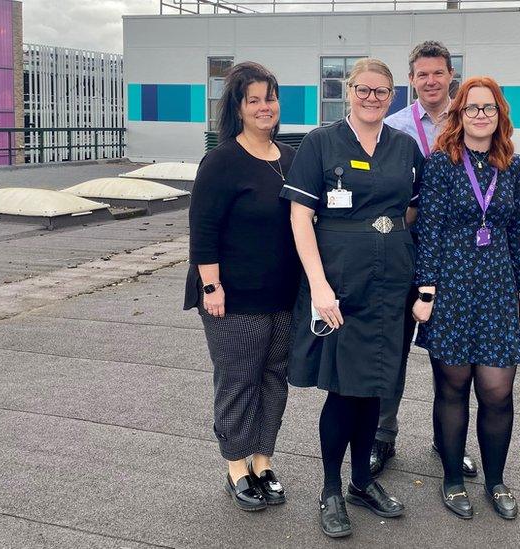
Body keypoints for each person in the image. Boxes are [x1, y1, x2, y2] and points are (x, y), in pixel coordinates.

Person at [279, 58, 424, 538]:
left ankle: (362, 480)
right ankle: (330, 489)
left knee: (376, 386)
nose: (372, 98)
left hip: (391, 284)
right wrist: (319, 285)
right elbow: (301, 217)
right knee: (343, 389)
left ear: (392, 96)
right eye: (364, 89)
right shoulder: (320, 142)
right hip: (341, 282)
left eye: (382, 92)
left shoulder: (404, 147)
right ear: (349, 91)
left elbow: (414, 212)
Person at [412, 77, 520, 520]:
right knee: (453, 389)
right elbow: (428, 232)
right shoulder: (441, 165)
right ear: (459, 114)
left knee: (498, 390)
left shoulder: (516, 167)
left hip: (498, 293)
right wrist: (425, 291)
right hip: (450, 291)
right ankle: (450, 478)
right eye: (472, 108)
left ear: (500, 114)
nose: (481, 115)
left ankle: (496, 480)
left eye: (488, 108)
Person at [184, 61, 300, 512]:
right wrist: (211, 287)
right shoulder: (222, 160)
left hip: (282, 296)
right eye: (254, 100)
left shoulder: (290, 158)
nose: (264, 107)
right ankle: (236, 465)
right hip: (232, 300)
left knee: (275, 379)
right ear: (238, 107)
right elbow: (203, 230)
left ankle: (263, 460)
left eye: (270, 98)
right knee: (238, 380)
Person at [375, 40, 478, 480]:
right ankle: (383, 438)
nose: (431, 81)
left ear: (450, 75)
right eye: (422, 74)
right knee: (390, 351)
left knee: (450, 356)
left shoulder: (473, 122)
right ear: (411, 79)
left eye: (438, 73)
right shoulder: (394, 126)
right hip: (403, 254)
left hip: (456, 261)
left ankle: (447, 440)